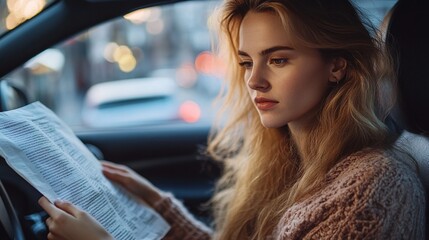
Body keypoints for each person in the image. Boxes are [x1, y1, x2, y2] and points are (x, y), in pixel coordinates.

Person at [38, 0, 426, 239]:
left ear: (336, 66)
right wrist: (161, 207)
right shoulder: (291, 161)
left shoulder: (375, 187)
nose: (254, 80)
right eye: (245, 62)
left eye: (278, 59)